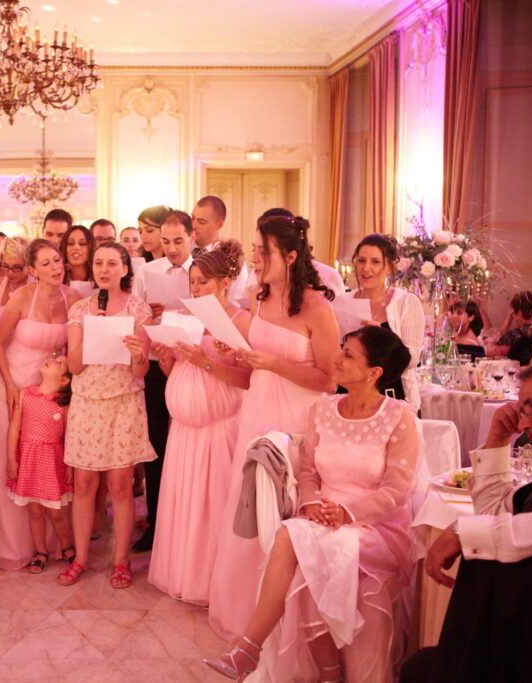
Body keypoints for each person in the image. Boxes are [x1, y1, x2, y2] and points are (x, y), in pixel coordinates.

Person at [206, 326, 419, 682]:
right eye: (341, 349)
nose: (336, 359)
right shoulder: (323, 408)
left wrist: (349, 513)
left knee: (291, 539)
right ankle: (321, 671)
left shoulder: (398, 416)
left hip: (375, 530)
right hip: (321, 520)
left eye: (348, 355)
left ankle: (249, 648)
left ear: (374, 372)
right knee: (303, 560)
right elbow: (308, 473)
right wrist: (310, 504)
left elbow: (398, 489)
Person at [208, 213, 340, 639]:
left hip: (297, 419)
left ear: (291, 256)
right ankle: (246, 612)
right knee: (252, 501)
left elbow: (329, 379)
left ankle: (291, 622)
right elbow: (254, 366)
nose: (256, 259)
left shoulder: (318, 308)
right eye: (255, 250)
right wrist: (239, 353)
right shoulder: (257, 297)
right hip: (258, 410)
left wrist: (274, 363)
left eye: (264, 252)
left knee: (287, 506)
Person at [403, 356, 532, 683]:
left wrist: (466, 533)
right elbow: (493, 512)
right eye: (522, 411)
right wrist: (496, 440)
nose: (524, 424)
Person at [148, 242, 251, 604]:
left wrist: (206, 361)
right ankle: (182, 573)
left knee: (213, 505)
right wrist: (165, 357)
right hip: (184, 429)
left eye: (203, 281)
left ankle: (212, 584)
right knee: (185, 506)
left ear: (225, 282)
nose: (196, 288)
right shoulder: (184, 317)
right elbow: (175, 369)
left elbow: (248, 379)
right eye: (192, 282)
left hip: (220, 428)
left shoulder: (241, 320)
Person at [59, 242, 156, 589]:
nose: (103, 269)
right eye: (98, 263)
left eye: (112, 263)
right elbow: (74, 366)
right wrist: (93, 331)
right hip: (87, 402)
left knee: (120, 485)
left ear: (125, 269)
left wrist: (137, 354)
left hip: (123, 402)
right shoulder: (80, 309)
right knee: (84, 484)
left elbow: (141, 371)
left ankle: (121, 561)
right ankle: (80, 559)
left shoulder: (139, 309)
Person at [0, 239, 80, 570]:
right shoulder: (23, 296)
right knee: (13, 460)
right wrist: (10, 385)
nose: (55, 267)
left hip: (51, 388)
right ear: (34, 270)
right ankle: (14, 545)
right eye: (46, 263)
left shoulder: (72, 298)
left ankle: (52, 543)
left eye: (57, 260)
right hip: (14, 383)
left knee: (48, 461)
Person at [131, 209, 195, 552]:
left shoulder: (204, 270)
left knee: (189, 446)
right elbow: (134, 313)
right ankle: (155, 525)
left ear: (192, 238)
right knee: (156, 447)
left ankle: (187, 527)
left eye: (178, 241)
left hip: (192, 365)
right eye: (166, 241)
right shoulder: (147, 271)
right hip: (156, 366)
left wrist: (176, 314)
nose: (171, 248)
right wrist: (149, 314)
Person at [5, 355, 75, 574]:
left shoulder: (63, 404)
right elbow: (14, 428)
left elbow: (69, 436)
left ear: (64, 380)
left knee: (56, 513)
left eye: (59, 363)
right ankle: (40, 552)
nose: (52, 360)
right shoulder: (25, 394)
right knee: (35, 512)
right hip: (29, 461)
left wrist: (70, 466)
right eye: (54, 358)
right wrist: (11, 458)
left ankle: (67, 546)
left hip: (53, 464)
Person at [346, 233, 425, 407]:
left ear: (389, 266)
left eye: (375, 262)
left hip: (392, 395)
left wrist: (384, 337)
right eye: (361, 261)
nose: (366, 268)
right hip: (348, 394)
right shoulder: (343, 301)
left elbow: (412, 358)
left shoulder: (406, 303)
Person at [191, 196, 251, 308]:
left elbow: (236, 303)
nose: (193, 225)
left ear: (219, 224)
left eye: (201, 222)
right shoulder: (181, 249)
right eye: (192, 218)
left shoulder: (230, 257)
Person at [0, 236, 32, 319]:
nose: (10, 272)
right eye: (5, 266)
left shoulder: (37, 289)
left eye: (17, 267)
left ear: (28, 265)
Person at [486, 290, 532, 357]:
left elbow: (490, 352)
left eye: (513, 313)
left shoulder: (513, 336)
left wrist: (490, 343)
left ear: (519, 313)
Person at [60, 224, 95, 290]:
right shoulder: (57, 276)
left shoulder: (98, 276)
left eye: (82, 243)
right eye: (70, 243)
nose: (76, 247)